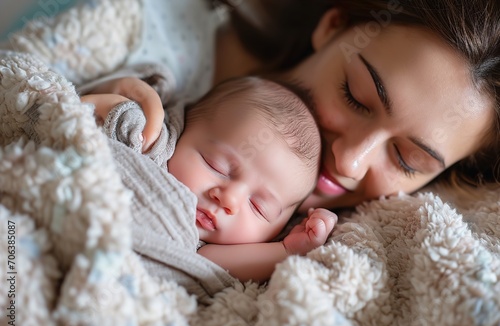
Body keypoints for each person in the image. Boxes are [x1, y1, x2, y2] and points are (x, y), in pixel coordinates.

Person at [85, 0, 500, 216]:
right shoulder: (138, 35)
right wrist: (80, 101)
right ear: (333, 27)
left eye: (407, 160)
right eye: (355, 95)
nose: (350, 162)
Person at [82, 76, 337, 282]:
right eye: (217, 166)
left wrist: (287, 250)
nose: (229, 198)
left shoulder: (205, 249)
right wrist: (118, 106)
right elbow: (81, 116)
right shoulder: (148, 142)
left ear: (276, 229)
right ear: (183, 128)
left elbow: (208, 264)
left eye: (258, 207)